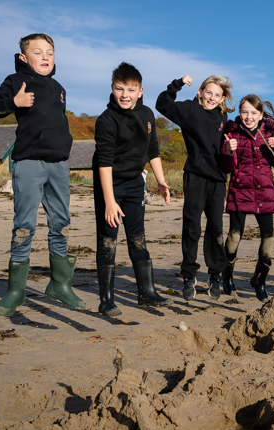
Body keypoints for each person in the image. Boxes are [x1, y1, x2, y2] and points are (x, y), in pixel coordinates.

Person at [0, 33, 85, 316]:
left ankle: (60, 285)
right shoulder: (16, 81)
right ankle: (15, 291)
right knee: (24, 225)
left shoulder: (59, 87)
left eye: (50, 52)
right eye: (38, 52)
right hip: (28, 164)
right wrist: (14, 102)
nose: (46, 57)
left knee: (60, 224)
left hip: (59, 166)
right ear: (24, 58)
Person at [91, 62, 173, 316]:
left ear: (140, 90)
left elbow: (152, 150)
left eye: (131, 89)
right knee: (108, 242)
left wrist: (160, 180)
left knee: (138, 237)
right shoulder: (106, 120)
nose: (125, 94)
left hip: (135, 184)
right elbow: (103, 163)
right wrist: (109, 201)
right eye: (119, 89)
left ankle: (146, 293)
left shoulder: (147, 114)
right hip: (109, 185)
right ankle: (106, 300)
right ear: (112, 88)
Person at [156, 74, 233, 301]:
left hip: (218, 180)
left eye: (217, 95)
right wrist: (176, 84)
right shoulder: (189, 110)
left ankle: (215, 276)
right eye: (208, 92)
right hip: (195, 177)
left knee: (216, 228)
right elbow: (162, 104)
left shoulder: (224, 118)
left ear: (222, 99)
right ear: (200, 92)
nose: (212, 97)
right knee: (191, 228)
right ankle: (189, 276)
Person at [219, 95, 274, 302]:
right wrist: (227, 151)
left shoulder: (269, 131)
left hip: (265, 193)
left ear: (260, 114)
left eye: (253, 113)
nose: (249, 117)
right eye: (245, 112)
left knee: (268, 239)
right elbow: (227, 168)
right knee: (233, 237)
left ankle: (260, 279)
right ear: (239, 113)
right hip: (239, 191)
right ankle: (227, 274)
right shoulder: (231, 132)